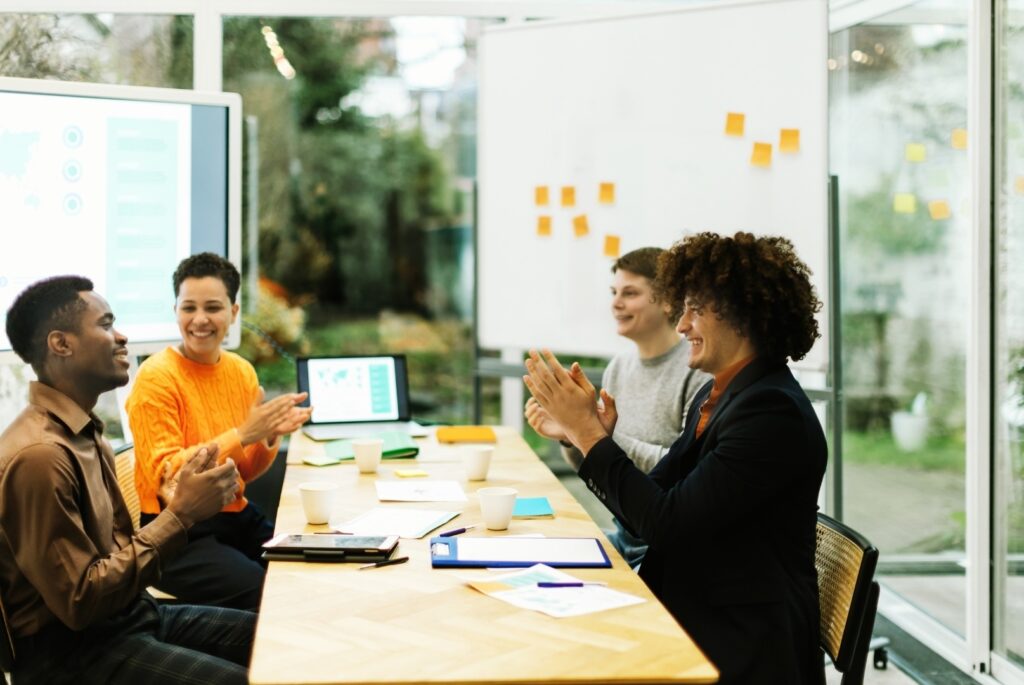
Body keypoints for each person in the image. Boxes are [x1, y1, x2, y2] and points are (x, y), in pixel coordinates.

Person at [524, 231, 827, 685]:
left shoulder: (771, 412)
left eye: (695, 309)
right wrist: (590, 438)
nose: (682, 325)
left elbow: (667, 525)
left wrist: (590, 436)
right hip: (700, 607)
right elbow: (646, 512)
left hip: (741, 642)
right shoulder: (721, 393)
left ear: (742, 314)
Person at [0, 275, 253, 684]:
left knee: (278, 636)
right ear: (61, 344)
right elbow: (81, 601)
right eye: (105, 325)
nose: (121, 337)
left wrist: (180, 506)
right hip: (72, 656)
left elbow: (115, 564)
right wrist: (181, 515)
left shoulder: (86, 433)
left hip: (132, 617)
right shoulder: (40, 456)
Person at [125, 253, 311, 610]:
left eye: (212, 307)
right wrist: (242, 434)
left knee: (302, 571)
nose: (199, 320)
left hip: (234, 514)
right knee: (271, 595)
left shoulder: (241, 372)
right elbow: (168, 479)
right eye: (188, 308)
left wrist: (267, 436)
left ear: (234, 313)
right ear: (175, 310)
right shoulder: (156, 377)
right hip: (177, 531)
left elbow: (243, 473)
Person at [524, 247, 708, 567]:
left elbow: (682, 473)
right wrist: (571, 435)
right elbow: (603, 469)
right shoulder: (618, 367)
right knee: (533, 558)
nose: (615, 303)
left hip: (663, 550)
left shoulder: (696, 371)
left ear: (668, 302)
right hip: (625, 536)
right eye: (613, 292)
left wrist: (590, 431)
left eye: (630, 293)